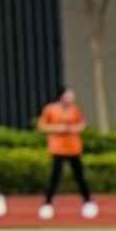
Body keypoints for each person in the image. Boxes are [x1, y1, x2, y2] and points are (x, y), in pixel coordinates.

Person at [35, 89, 95, 221]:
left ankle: (88, 202)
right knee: (54, 178)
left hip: (74, 149)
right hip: (58, 149)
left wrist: (73, 129)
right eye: (68, 96)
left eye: (72, 96)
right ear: (61, 96)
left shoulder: (75, 109)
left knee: (80, 177)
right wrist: (58, 128)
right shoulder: (50, 109)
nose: (71, 98)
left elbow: (82, 124)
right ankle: (47, 204)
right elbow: (41, 126)